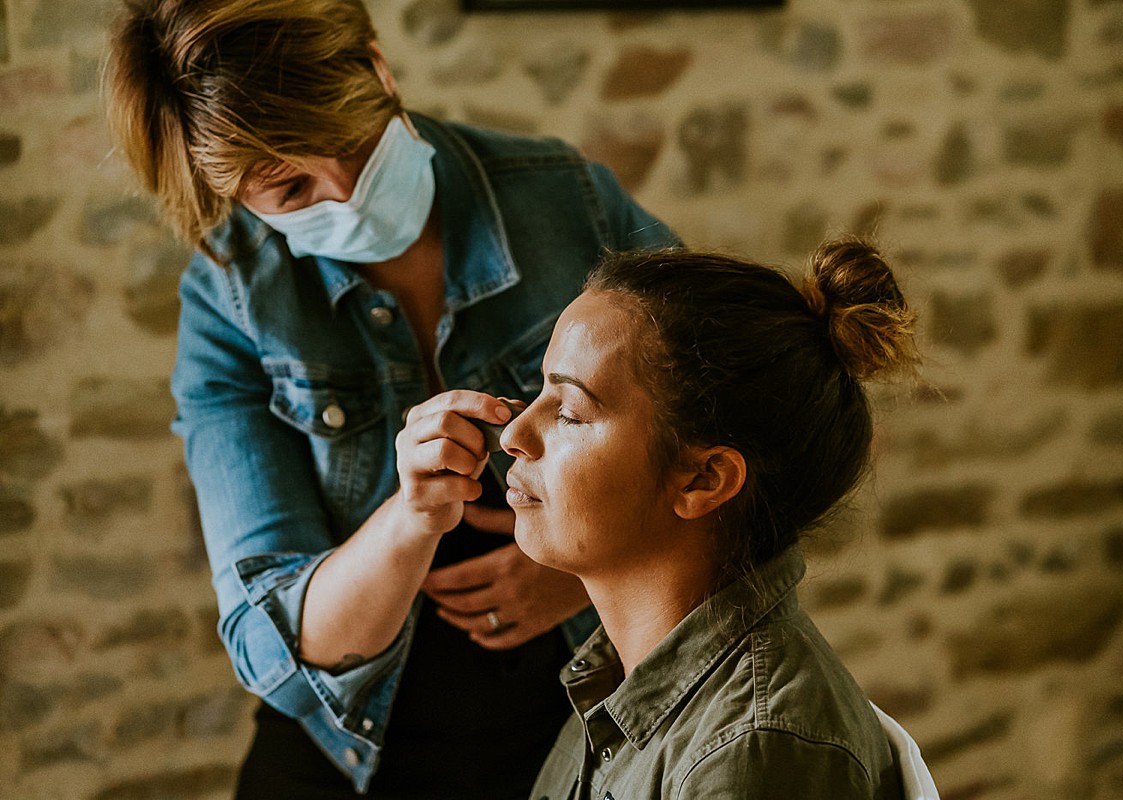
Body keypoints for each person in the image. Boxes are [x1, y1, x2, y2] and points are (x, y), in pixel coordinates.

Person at [104, 0, 677, 797]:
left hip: (583, 720)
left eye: (351, 141)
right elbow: (277, 648)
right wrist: (409, 518)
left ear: (377, 66)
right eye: (290, 187)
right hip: (352, 750)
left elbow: (734, 432)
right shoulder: (230, 303)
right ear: (227, 193)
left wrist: (587, 572)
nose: (345, 192)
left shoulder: (566, 202)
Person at [499, 240, 921, 799]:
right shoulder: (611, 680)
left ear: (704, 479)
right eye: (539, 392)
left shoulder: (754, 753)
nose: (514, 436)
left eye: (571, 414)